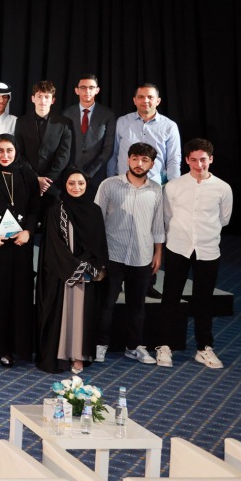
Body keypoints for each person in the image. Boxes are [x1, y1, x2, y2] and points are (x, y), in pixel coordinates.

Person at [155, 139, 232, 369]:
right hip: (178, 247)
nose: (199, 165)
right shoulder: (173, 186)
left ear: (211, 159)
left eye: (203, 160)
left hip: (208, 250)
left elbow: (224, 219)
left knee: (204, 301)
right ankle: (164, 346)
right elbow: (167, 217)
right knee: (170, 297)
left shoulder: (223, 188)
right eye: (194, 160)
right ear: (187, 160)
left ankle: (204, 348)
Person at [94, 142, 165, 365]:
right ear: (128, 159)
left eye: (144, 160)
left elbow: (158, 224)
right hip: (112, 255)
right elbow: (96, 221)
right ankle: (100, 345)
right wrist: (98, 255)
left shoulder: (156, 190)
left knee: (138, 306)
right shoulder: (109, 185)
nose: (139, 163)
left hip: (142, 256)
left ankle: (133, 346)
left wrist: (157, 253)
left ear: (152, 164)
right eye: (135, 158)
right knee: (106, 304)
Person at [35, 170, 109, 374]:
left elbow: (99, 244)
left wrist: (87, 264)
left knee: (82, 315)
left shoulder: (94, 211)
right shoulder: (56, 210)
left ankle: (79, 356)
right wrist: (74, 265)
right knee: (64, 314)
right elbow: (53, 245)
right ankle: (61, 355)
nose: (76, 188)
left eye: (81, 184)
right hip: (62, 273)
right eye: (71, 184)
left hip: (87, 274)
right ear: (64, 185)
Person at [0, 133, 40, 366]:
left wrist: (29, 232)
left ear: (16, 151)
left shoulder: (27, 174)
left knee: (17, 298)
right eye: (0, 150)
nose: (5, 155)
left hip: (20, 245)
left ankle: (10, 350)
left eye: (9, 151)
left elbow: (35, 208)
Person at [112, 83, 181, 186]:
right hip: (123, 184)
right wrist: (111, 180)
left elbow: (173, 159)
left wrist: (174, 186)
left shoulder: (169, 126)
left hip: (156, 186)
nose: (145, 100)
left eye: (150, 97)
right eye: (141, 97)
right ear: (134, 100)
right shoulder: (122, 122)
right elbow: (113, 154)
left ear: (158, 101)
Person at [14, 81, 73, 199]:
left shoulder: (64, 123)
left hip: (54, 185)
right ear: (33, 99)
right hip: (28, 181)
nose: (43, 100)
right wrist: (35, 178)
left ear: (53, 100)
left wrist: (47, 180)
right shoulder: (21, 122)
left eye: (47, 97)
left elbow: (64, 155)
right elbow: (19, 152)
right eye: (39, 96)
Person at [66, 73, 115, 199]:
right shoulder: (67, 114)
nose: (87, 91)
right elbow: (64, 146)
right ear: (77, 90)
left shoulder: (107, 115)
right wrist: (73, 171)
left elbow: (108, 149)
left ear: (97, 90)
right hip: (70, 177)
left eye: (91, 87)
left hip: (96, 178)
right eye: (83, 87)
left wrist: (89, 173)